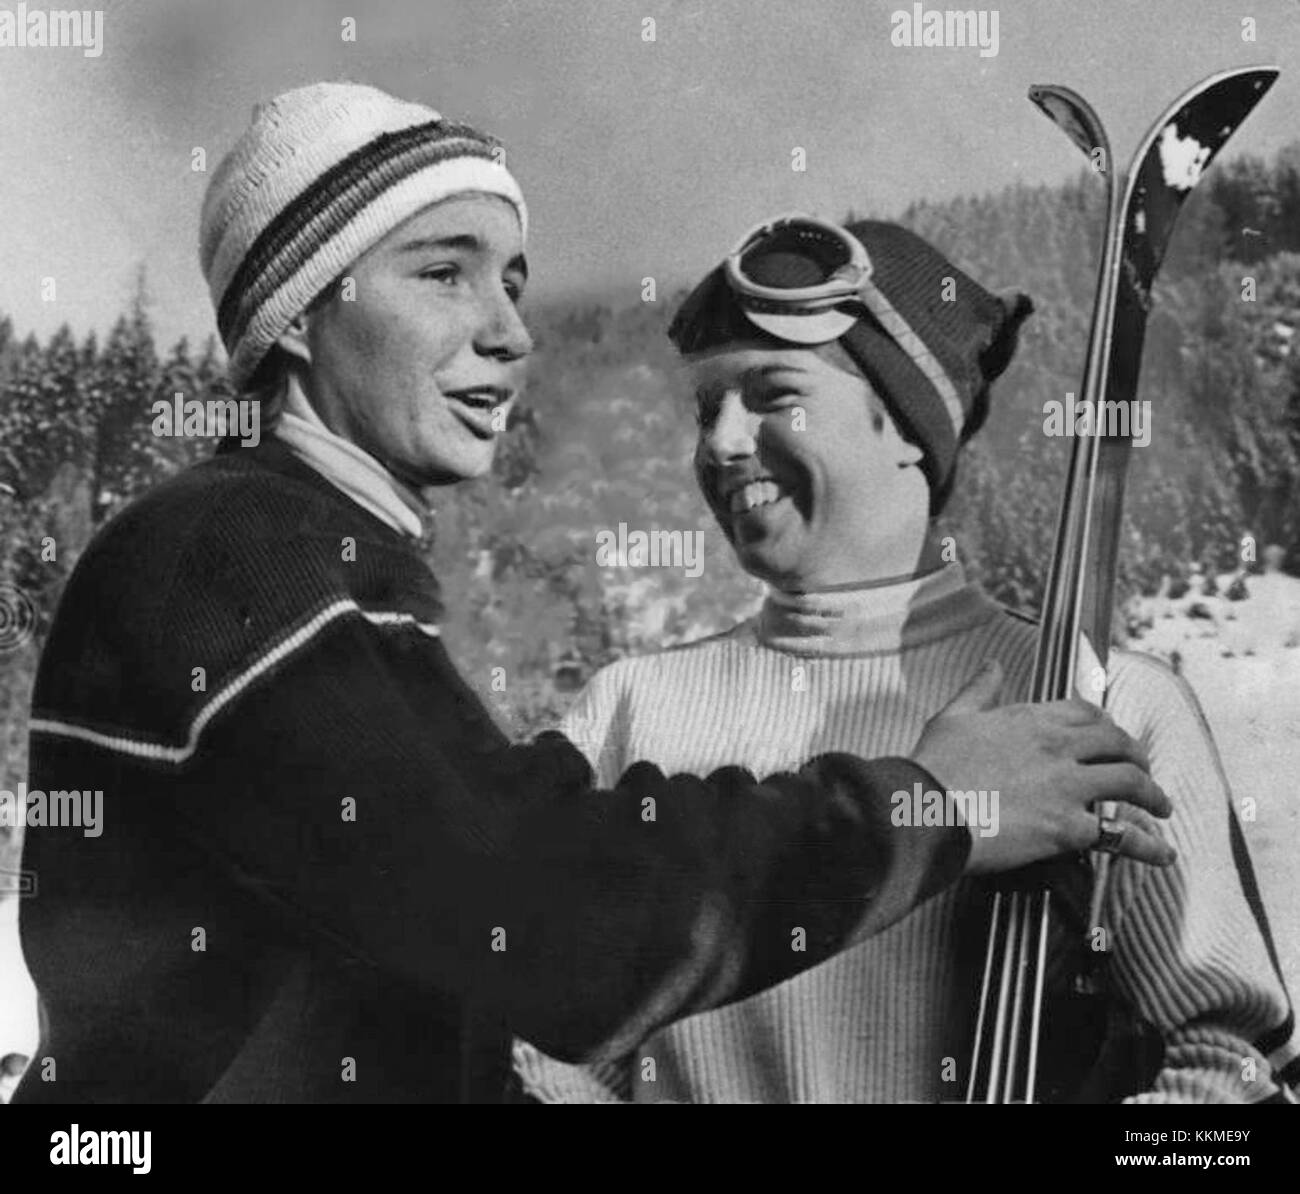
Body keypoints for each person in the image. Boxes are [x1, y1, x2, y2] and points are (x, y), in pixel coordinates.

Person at [13, 88, 1170, 1105]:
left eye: (512, 283)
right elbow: (538, 918)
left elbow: (445, 981)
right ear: (302, 310)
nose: (511, 333)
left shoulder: (317, 568)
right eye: (443, 273)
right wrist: (930, 810)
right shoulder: (236, 552)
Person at [514, 214, 1298, 1103]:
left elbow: (1228, 1081)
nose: (722, 441)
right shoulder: (625, 712)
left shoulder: (1103, 700)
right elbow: (542, 1051)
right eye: (707, 407)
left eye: (773, 394)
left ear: (908, 426)